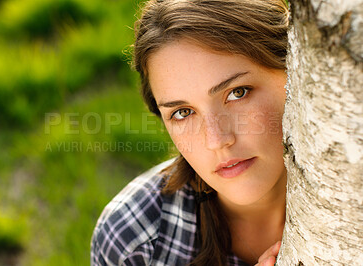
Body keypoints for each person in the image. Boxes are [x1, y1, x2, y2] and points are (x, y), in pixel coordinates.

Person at [91, 0, 289, 265]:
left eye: (237, 93)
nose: (216, 140)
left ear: (296, 72)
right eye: (183, 113)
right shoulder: (133, 243)